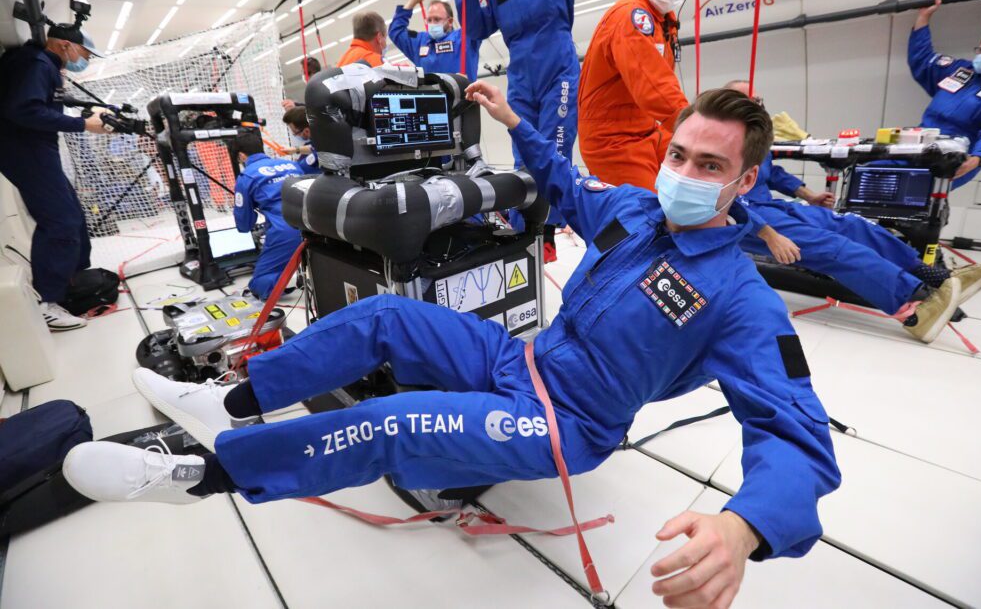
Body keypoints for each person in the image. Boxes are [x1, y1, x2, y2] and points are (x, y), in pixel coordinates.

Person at [65, 87, 839, 609]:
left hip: (569, 423)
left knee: (398, 421)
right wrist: (512, 120)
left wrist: (745, 526)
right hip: (521, 359)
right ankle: (231, 400)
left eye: (709, 166)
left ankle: (204, 473)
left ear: (744, 180)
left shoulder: (743, 301)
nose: (685, 175)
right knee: (387, 319)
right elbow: (564, 188)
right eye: (679, 156)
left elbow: (800, 440)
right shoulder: (636, 213)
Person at [727, 79, 981, 344]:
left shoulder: (756, 137)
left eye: (758, 99)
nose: (756, 104)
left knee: (852, 225)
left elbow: (771, 173)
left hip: (771, 205)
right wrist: (767, 233)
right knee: (834, 248)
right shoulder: (722, 142)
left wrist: (809, 195)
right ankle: (916, 310)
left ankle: (937, 278)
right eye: (746, 99)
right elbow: (721, 198)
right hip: (742, 216)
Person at [456, 0, 601, 262]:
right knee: (522, 153)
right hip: (521, 78)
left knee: (553, 148)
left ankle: (548, 232)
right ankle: (525, 232)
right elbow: (477, 28)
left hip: (558, 73)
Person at [0, 25, 112, 331]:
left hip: (36, 149)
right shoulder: (36, 64)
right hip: (26, 150)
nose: (85, 59)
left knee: (73, 215)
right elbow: (23, 110)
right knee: (60, 221)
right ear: (65, 45)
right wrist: (83, 125)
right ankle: (49, 303)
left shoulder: (40, 64)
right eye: (85, 53)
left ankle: (70, 284)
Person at [578, 0, 697, 192]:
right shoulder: (631, 19)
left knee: (693, 184)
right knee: (649, 216)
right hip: (614, 140)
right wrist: (697, 128)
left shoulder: (663, 20)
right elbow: (655, 89)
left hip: (646, 131)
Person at [909, 0, 981, 188]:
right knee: (869, 176)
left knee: (915, 198)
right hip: (920, 144)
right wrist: (923, 17)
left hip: (956, 156)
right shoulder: (961, 70)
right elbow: (922, 60)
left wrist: (978, 158)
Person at [231, 150, 304, 300]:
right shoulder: (291, 164)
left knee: (259, 285)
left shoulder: (247, 176)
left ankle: (290, 279)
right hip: (316, 224)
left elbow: (244, 224)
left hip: (286, 230)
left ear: (241, 155)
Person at [388, 0, 482, 81]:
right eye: (429, 20)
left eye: (437, 19)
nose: (432, 23)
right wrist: (412, 2)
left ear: (450, 21)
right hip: (430, 95)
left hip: (461, 94)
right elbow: (396, 31)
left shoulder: (465, 37)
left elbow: (479, 18)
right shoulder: (420, 42)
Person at [281, 106, 318, 173]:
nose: (295, 135)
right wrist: (295, 150)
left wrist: (297, 165)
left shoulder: (325, 145)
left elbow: (316, 150)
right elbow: (313, 148)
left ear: (306, 131)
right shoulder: (321, 138)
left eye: (295, 133)